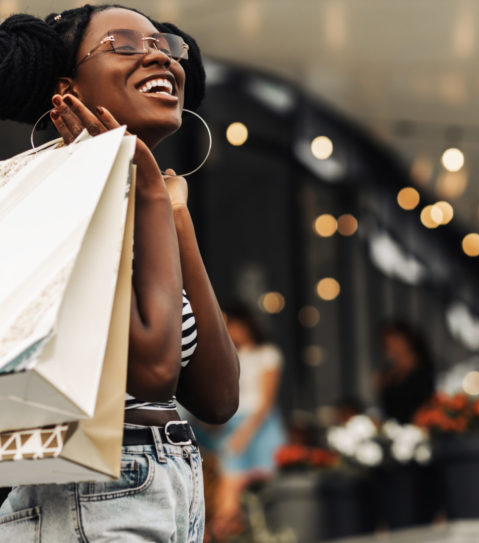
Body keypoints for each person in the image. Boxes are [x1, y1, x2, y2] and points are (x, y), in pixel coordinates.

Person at [0, 4, 239, 542]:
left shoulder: (144, 205)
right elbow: (151, 373)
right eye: (125, 44)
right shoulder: (53, 199)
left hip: (164, 488)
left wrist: (174, 216)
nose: (158, 54)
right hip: (83, 498)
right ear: (69, 90)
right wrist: (153, 191)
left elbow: (218, 397)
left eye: (164, 45)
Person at [196, 303, 286, 540]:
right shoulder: (234, 355)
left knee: (232, 478)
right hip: (234, 426)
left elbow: (264, 403)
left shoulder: (267, 354)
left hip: (257, 428)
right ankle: (224, 528)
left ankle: (222, 529)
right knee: (224, 478)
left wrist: (243, 436)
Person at [373, 320, 435, 424]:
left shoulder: (422, 368)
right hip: (393, 428)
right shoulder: (387, 373)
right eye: (386, 342)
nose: (390, 345)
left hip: (418, 428)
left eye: (395, 340)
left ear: (407, 340)